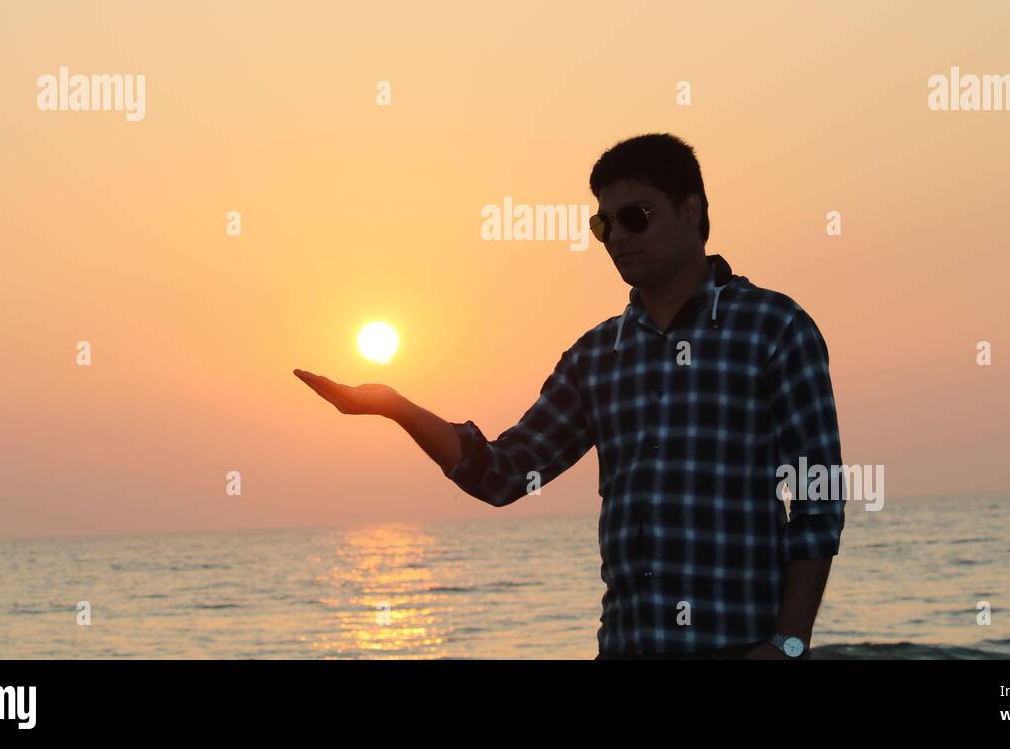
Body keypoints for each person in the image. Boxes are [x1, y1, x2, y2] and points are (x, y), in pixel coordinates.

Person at [295, 132, 844, 658]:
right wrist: (394, 407)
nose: (618, 236)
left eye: (636, 216)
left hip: (738, 647)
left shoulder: (775, 328)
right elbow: (504, 473)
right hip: (626, 647)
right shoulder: (596, 357)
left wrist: (789, 645)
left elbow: (819, 498)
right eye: (604, 224)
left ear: (692, 211)